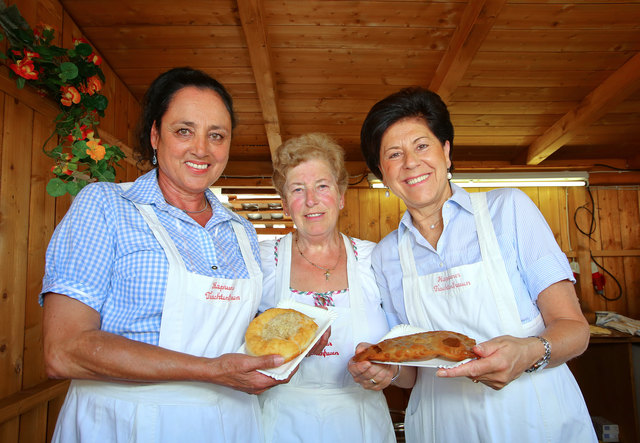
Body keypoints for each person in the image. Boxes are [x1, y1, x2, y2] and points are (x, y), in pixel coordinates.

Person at [41, 67, 291, 442]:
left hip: (230, 424)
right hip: (124, 424)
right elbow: (63, 351)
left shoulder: (241, 230)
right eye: (184, 130)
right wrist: (210, 370)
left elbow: (234, 327)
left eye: (217, 135)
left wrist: (293, 339)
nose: (202, 149)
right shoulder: (107, 207)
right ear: (156, 135)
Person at [349, 87, 597, 442]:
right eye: (393, 154)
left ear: (446, 152)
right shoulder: (386, 254)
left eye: (422, 146)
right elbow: (410, 372)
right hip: (443, 426)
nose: (411, 163)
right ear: (381, 174)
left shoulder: (509, 210)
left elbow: (574, 329)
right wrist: (382, 369)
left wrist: (529, 351)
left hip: (534, 417)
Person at [259, 133, 396, 443]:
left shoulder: (376, 259)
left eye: (322, 186)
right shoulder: (263, 261)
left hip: (362, 423)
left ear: (341, 196)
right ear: (284, 204)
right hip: (279, 423)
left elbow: (405, 359)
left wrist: (390, 372)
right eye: (297, 189)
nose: (311, 200)